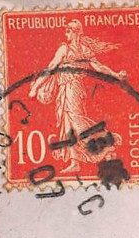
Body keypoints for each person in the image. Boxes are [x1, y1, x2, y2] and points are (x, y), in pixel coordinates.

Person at [29, 20, 127, 172]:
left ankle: (106, 141)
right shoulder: (64, 48)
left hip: (75, 89)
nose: (66, 32)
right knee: (67, 123)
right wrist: (36, 86)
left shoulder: (83, 50)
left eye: (69, 30)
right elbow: (51, 67)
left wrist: (115, 74)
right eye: (66, 30)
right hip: (64, 89)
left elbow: (98, 66)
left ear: (77, 32)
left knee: (76, 120)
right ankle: (75, 162)